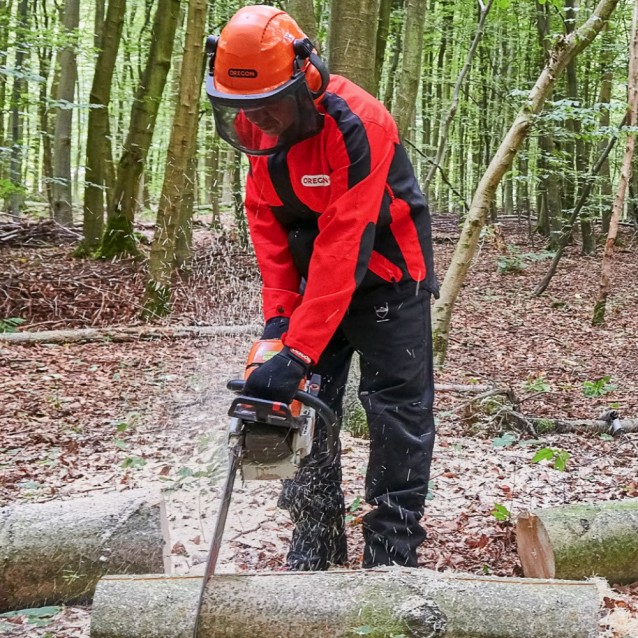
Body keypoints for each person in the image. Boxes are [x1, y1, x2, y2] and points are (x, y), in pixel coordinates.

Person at [206, 5, 438, 571]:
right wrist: (280, 324)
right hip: (318, 289)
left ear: (305, 80)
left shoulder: (359, 122)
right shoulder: (255, 126)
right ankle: (315, 531)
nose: (262, 121)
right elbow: (267, 224)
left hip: (387, 278)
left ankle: (391, 547)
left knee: (396, 412)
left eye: (272, 106)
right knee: (307, 405)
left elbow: (347, 241)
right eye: (247, 109)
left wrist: (301, 348)